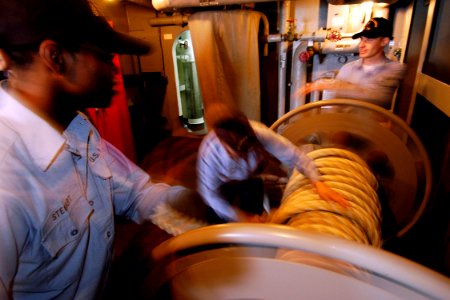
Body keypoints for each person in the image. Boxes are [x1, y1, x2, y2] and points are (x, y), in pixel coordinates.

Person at [0, 0, 194, 298]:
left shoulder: (78, 127)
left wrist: (208, 187)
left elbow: (136, 194)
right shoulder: (6, 177)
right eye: (104, 56)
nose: (114, 69)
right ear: (55, 58)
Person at [197, 104, 348, 223]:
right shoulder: (209, 152)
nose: (244, 154)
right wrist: (239, 216)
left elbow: (292, 154)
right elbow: (210, 194)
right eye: (237, 153)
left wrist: (317, 181)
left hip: (251, 179)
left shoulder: (259, 133)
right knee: (216, 222)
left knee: (257, 218)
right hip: (224, 186)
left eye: (248, 149)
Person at [297, 17, 406, 109]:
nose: (361, 45)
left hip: (371, 132)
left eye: (369, 40)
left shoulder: (394, 69)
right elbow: (335, 102)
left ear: (384, 41)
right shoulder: (347, 68)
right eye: (362, 39)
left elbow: (377, 98)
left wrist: (333, 84)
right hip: (344, 128)